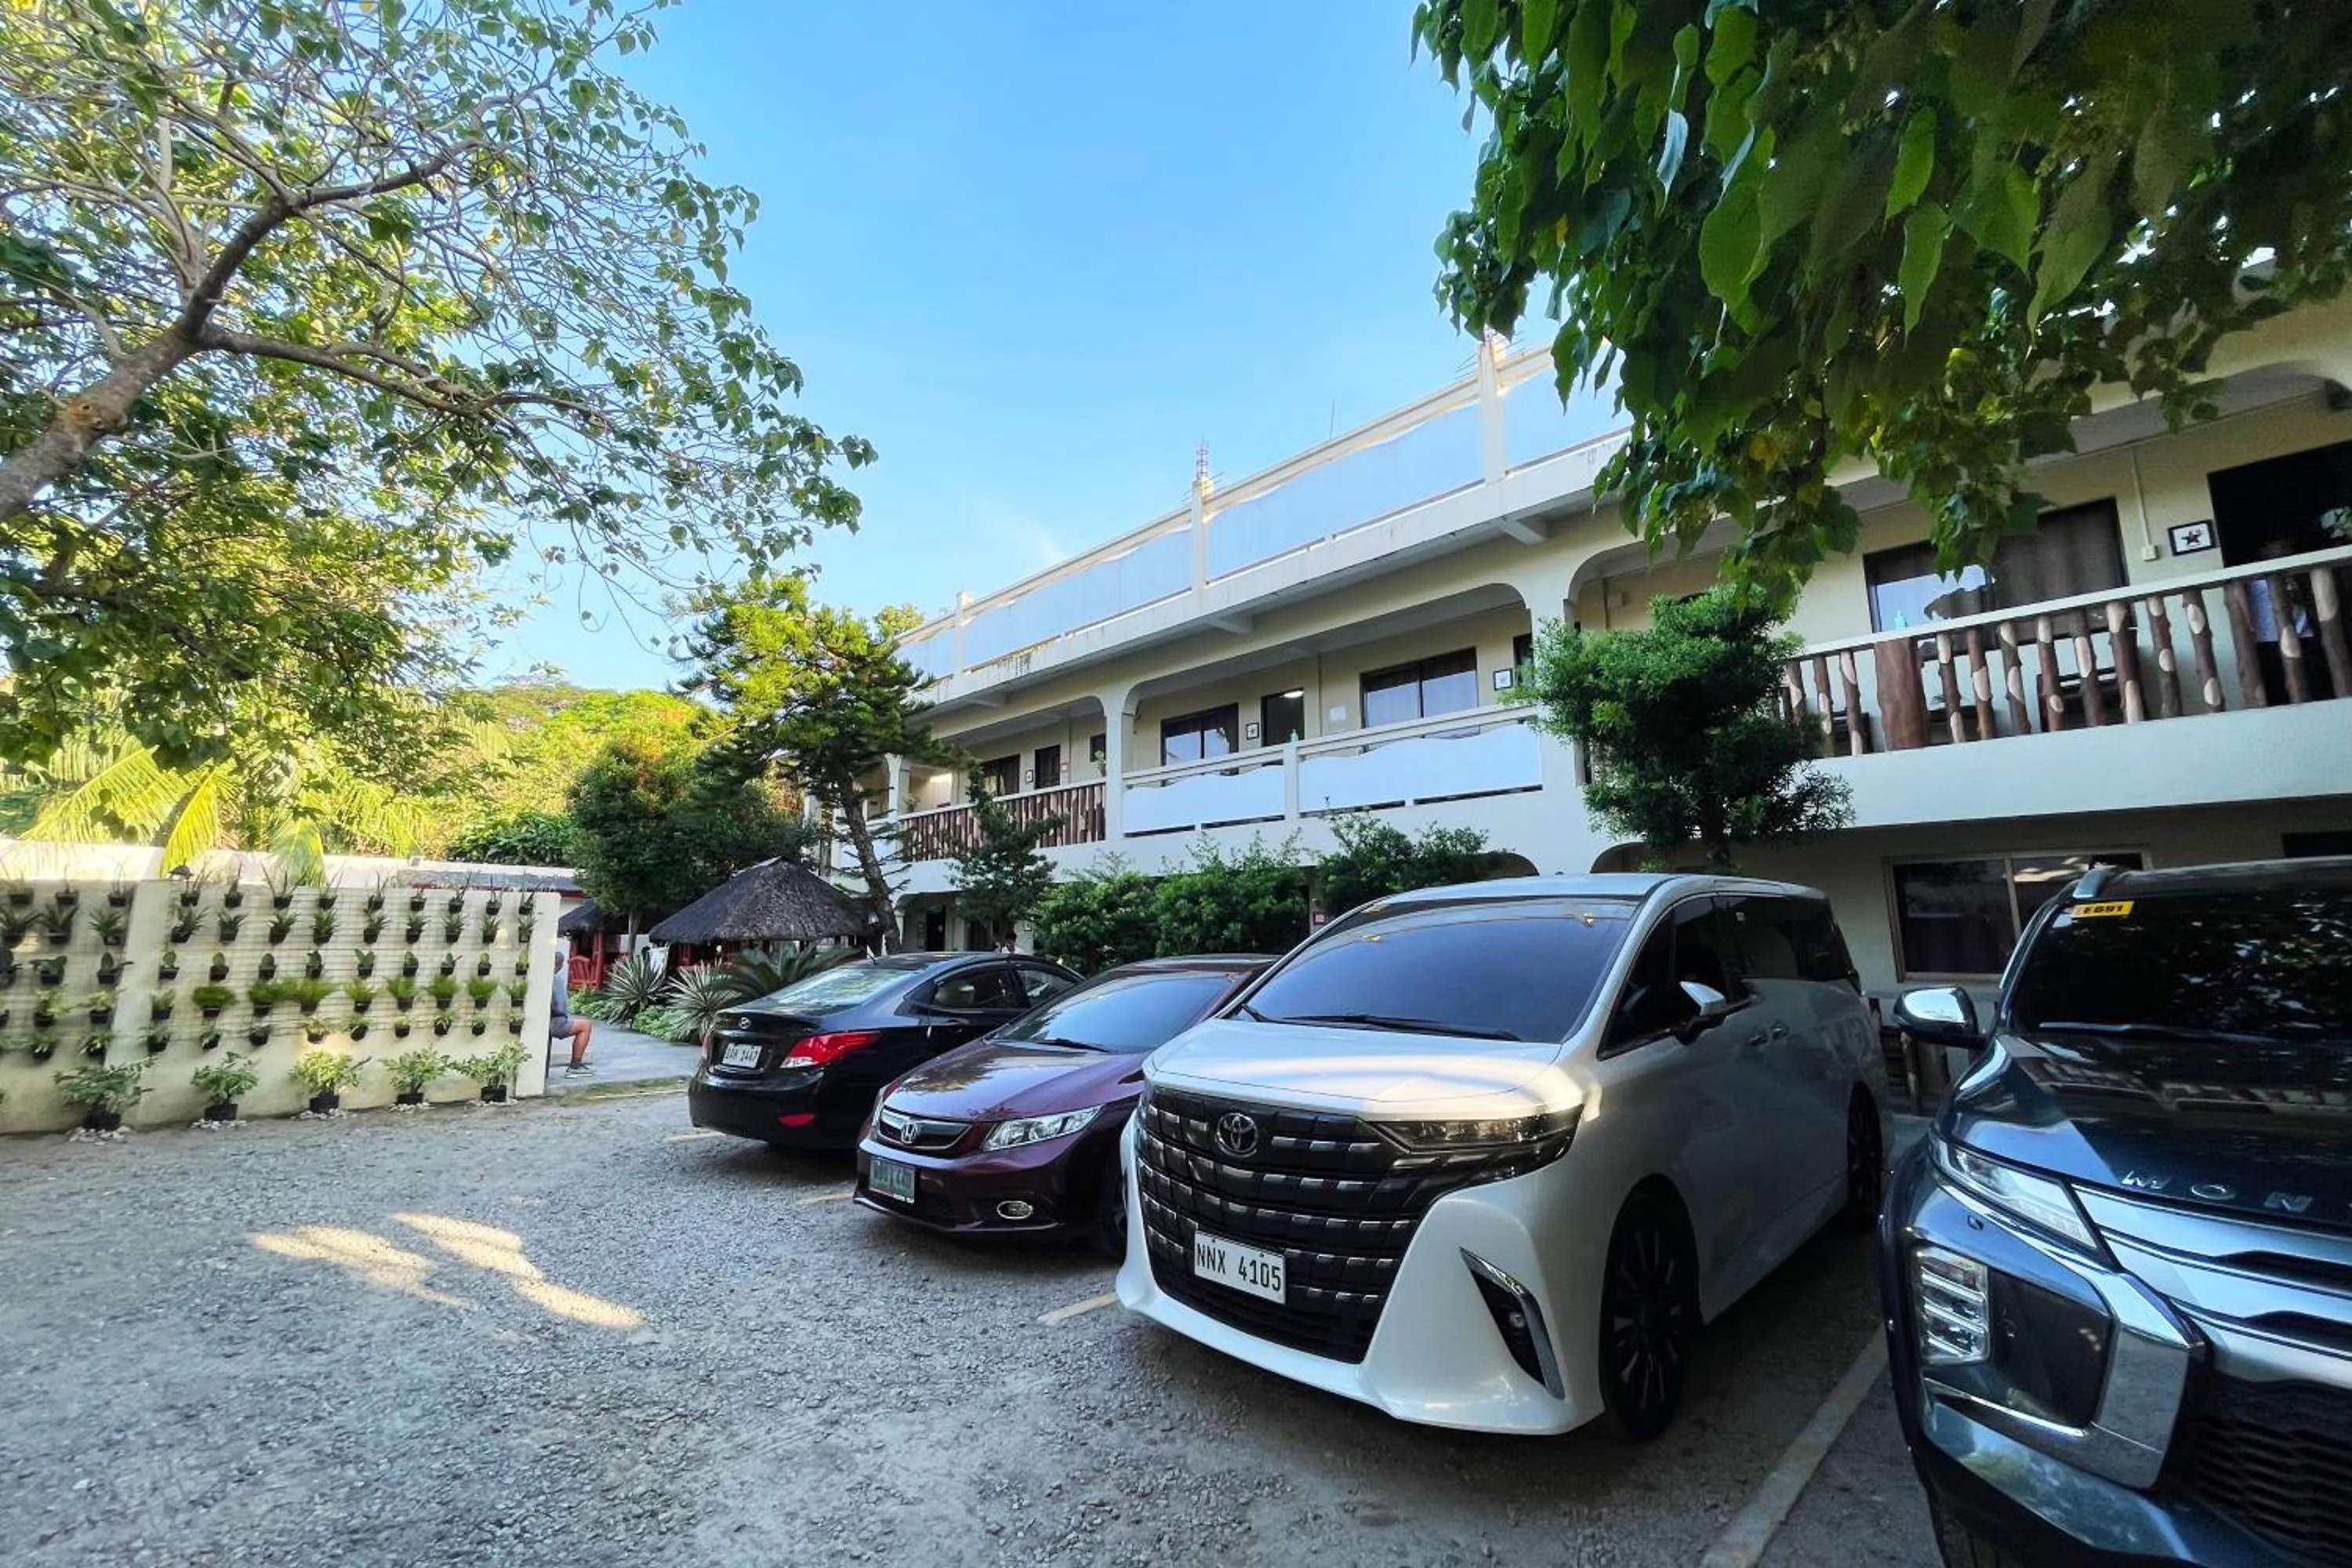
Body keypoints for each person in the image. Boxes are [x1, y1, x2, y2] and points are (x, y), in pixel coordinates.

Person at [553, 948, 594, 1074]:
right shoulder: (554, 980)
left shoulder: (554, 979)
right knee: (586, 1025)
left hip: (555, 1019)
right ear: (559, 965)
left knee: (583, 1023)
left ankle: (576, 1065)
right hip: (555, 1022)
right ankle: (575, 1066)